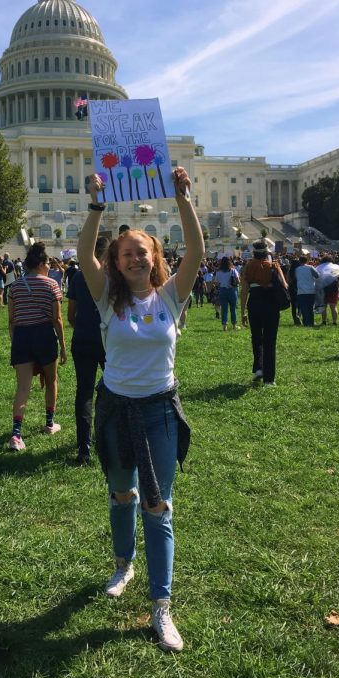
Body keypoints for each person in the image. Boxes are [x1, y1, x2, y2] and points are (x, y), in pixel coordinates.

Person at [77, 167, 203, 653]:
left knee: (159, 506)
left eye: (142, 251)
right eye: (125, 251)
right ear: (116, 260)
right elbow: (86, 253)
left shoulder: (170, 297)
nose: (134, 256)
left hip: (158, 410)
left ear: (154, 259)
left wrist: (183, 199)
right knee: (121, 494)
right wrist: (96, 204)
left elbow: (196, 251)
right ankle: (123, 564)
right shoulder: (108, 298)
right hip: (114, 408)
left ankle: (161, 606)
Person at [7, 242, 67, 451]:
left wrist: (15, 341)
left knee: (23, 387)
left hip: (22, 336)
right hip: (43, 335)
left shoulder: (15, 286)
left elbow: (11, 320)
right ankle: (50, 423)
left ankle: (16, 434)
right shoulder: (52, 285)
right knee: (51, 381)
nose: (50, 266)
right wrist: (63, 345)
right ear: (41, 263)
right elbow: (57, 319)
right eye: (48, 263)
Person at [67, 236, 108, 465]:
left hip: (82, 338)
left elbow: (71, 314)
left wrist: (83, 326)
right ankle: (108, 438)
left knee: (83, 393)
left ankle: (84, 447)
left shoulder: (78, 277)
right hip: (108, 341)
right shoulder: (111, 278)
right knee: (113, 389)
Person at [240, 241, 288, 386]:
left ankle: (259, 368)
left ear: (253, 253)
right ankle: (269, 379)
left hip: (254, 303)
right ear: (267, 252)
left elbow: (243, 291)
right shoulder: (274, 266)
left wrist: (242, 311)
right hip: (271, 304)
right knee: (270, 340)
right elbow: (285, 285)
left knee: (256, 337)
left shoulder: (248, 267)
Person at [214, 256, 240, 330]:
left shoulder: (218, 272)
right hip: (232, 290)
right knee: (233, 308)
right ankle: (234, 325)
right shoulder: (233, 271)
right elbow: (238, 281)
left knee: (224, 309)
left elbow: (216, 283)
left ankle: (224, 325)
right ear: (230, 262)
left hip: (222, 291)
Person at [294, 255, 319, 327]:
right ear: (307, 261)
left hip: (301, 291)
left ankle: (306, 322)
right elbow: (317, 275)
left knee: (304, 307)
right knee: (311, 307)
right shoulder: (310, 267)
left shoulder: (297, 269)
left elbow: (296, 278)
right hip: (311, 290)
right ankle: (311, 322)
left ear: (299, 261)